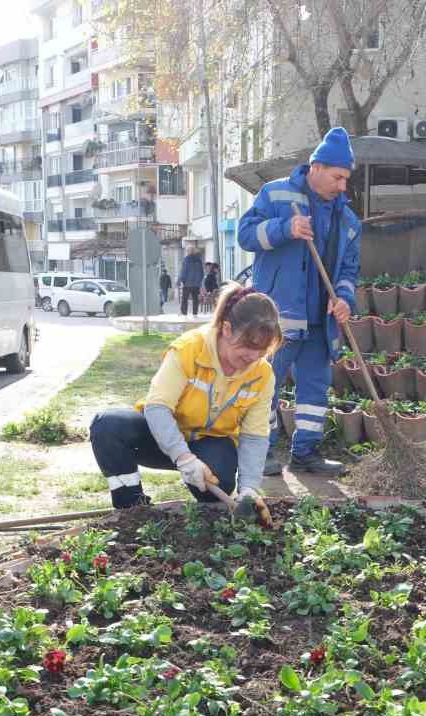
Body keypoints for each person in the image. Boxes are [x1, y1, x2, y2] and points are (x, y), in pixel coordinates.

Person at [89, 283, 278, 521]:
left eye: (261, 352)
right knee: (107, 426)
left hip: (209, 446)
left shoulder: (262, 375)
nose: (252, 357)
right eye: (248, 347)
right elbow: (157, 408)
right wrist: (183, 457)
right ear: (227, 329)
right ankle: (132, 510)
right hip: (160, 437)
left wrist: (249, 488)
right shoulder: (189, 349)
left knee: (219, 481)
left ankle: (207, 518)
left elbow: (255, 436)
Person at [238, 126, 361, 478]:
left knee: (314, 390)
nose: (343, 186)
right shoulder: (276, 195)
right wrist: (285, 229)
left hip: (322, 323)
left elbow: (349, 269)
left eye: (346, 178)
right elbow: (247, 235)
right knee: (266, 384)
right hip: (276, 317)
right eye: (338, 177)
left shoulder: (348, 220)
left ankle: (306, 452)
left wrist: (345, 299)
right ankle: (261, 451)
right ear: (316, 167)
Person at [179, 246, 204, 316]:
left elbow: (183, 271)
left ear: (188, 251)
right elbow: (202, 272)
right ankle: (195, 313)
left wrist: (182, 280)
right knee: (195, 298)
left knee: (184, 299)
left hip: (187, 283)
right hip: (196, 284)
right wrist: (199, 281)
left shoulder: (186, 260)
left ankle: (184, 313)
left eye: (187, 251)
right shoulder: (198, 260)